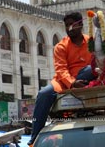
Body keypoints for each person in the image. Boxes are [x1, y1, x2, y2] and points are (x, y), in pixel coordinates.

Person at [27, 12, 97, 146]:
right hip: (64, 83)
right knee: (43, 94)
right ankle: (34, 138)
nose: (69, 28)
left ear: (81, 25)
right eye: (66, 25)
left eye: (72, 24)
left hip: (86, 79)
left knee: (90, 69)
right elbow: (61, 69)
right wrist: (72, 83)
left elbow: (97, 60)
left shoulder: (90, 42)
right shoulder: (61, 46)